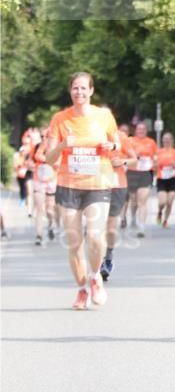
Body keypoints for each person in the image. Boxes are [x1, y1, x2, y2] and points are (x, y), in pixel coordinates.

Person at [45, 72, 119, 310]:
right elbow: (48, 157)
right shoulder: (60, 119)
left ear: (91, 91)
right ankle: (81, 289)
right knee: (74, 242)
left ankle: (95, 276)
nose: (79, 92)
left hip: (98, 183)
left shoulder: (104, 115)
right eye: (75, 88)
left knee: (95, 236)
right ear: (70, 91)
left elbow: (116, 142)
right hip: (68, 186)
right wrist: (63, 145)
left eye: (83, 88)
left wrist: (113, 145)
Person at [101, 121, 136, 281]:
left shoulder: (121, 137)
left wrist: (122, 162)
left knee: (110, 228)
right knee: (96, 226)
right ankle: (97, 262)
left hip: (117, 184)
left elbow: (134, 159)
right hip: (95, 184)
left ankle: (108, 256)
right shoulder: (91, 135)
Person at [126, 121, 156, 237]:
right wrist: (135, 155)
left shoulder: (151, 142)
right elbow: (125, 155)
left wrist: (154, 162)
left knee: (142, 201)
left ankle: (141, 227)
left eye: (143, 129)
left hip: (145, 173)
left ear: (146, 130)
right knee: (134, 200)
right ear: (136, 130)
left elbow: (154, 156)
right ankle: (133, 216)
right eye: (139, 129)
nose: (141, 131)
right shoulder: (130, 141)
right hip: (132, 172)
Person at [31, 128, 57, 244]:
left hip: (51, 182)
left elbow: (59, 162)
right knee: (39, 208)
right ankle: (38, 235)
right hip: (38, 181)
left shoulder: (56, 147)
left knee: (50, 211)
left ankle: (51, 225)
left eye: (46, 136)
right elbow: (31, 160)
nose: (44, 138)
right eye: (42, 136)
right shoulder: (36, 147)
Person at [155, 132, 175, 227]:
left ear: (172, 141)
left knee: (170, 202)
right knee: (162, 202)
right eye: (164, 139)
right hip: (161, 179)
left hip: (173, 179)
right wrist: (156, 165)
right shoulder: (158, 152)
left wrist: (174, 165)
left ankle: (165, 221)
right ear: (162, 140)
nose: (166, 141)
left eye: (168, 139)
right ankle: (159, 212)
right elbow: (154, 166)